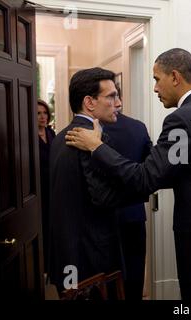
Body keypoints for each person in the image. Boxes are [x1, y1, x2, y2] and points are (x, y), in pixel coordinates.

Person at [65, 48, 191, 301]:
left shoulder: (181, 119)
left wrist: (96, 146)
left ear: (175, 77)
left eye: (157, 79)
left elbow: (145, 178)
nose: (155, 88)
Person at [49, 67, 134, 293]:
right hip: (92, 260)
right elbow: (103, 196)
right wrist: (139, 185)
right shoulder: (91, 139)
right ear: (89, 102)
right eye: (111, 96)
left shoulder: (58, 138)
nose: (118, 103)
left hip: (66, 253)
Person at [104, 89, 153, 300]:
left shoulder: (88, 130)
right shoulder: (138, 128)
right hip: (133, 213)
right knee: (133, 275)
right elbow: (150, 172)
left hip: (101, 216)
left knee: (105, 277)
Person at [37, 98, 56, 272]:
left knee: (53, 225)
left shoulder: (51, 134)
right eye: (38, 113)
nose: (42, 117)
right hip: (38, 188)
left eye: (44, 113)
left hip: (54, 187)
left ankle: (52, 265)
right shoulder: (28, 135)